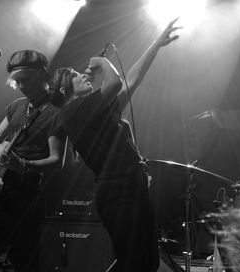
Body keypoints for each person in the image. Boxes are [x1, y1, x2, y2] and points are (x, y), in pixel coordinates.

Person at [50, 19, 180, 271]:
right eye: (77, 76)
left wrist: (156, 45)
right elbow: (115, 82)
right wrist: (103, 63)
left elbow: (131, 81)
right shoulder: (73, 111)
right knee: (134, 262)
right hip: (118, 192)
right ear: (65, 88)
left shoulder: (95, 109)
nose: (85, 75)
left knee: (147, 262)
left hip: (132, 186)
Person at [0, 50, 65, 271]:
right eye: (17, 81)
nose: (21, 85)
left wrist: (22, 164)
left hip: (26, 197)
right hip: (0, 190)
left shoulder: (56, 112)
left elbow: (57, 161)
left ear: (43, 75)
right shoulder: (17, 106)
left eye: (26, 79)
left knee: (24, 259)